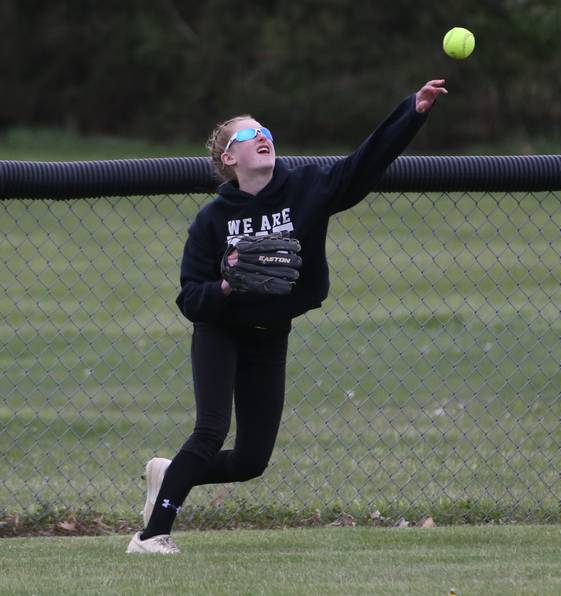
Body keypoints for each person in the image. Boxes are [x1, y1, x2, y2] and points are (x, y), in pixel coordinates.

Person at [126, 79, 448, 554]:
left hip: (269, 336)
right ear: (228, 160)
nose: (262, 137)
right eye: (247, 135)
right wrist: (225, 285)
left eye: (266, 130)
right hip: (220, 331)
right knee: (211, 431)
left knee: (251, 461)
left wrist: (412, 112)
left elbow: (365, 164)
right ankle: (151, 536)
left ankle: (169, 474)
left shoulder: (306, 188)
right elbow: (190, 299)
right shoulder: (211, 221)